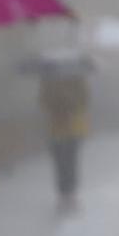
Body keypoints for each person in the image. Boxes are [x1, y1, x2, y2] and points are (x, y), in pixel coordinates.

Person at [40, 70, 90, 206]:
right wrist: (56, 99)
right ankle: (63, 194)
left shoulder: (77, 81)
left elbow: (84, 101)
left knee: (70, 162)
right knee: (60, 163)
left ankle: (70, 194)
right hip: (56, 130)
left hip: (73, 129)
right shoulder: (48, 82)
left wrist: (68, 98)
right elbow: (43, 103)